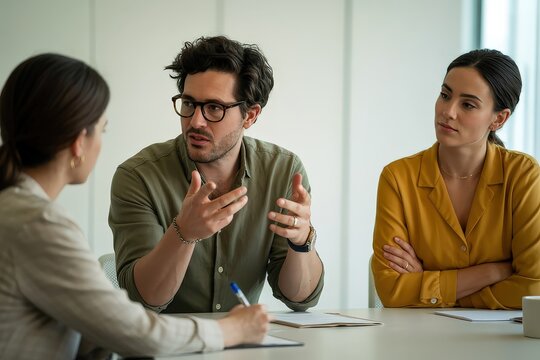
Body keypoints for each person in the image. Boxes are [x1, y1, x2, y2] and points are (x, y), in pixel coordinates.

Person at [0, 53, 270, 359]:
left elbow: (94, 326)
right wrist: (233, 329)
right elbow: (138, 334)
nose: (196, 120)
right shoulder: (37, 225)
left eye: (213, 108)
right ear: (79, 142)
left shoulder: (16, 210)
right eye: (103, 129)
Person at [109, 35, 324, 313]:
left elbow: (299, 299)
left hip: (242, 347)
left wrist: (301, 241)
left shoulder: (283, 171)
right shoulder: (138, 176)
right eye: (188, 104)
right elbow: (144, 300)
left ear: (250, 115)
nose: (195, 121)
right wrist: (184, 233)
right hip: (164, 345)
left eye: (214, 108)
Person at [372, 49, 540, 309]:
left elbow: (533, 286)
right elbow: (391, 289)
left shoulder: (524, 176)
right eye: (445, 95)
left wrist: (432, 288)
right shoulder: (398, 178)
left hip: (503, 344)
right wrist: (493, 273)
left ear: (499, 118)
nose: (448, 111)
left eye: (468, 104)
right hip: (419, 339)